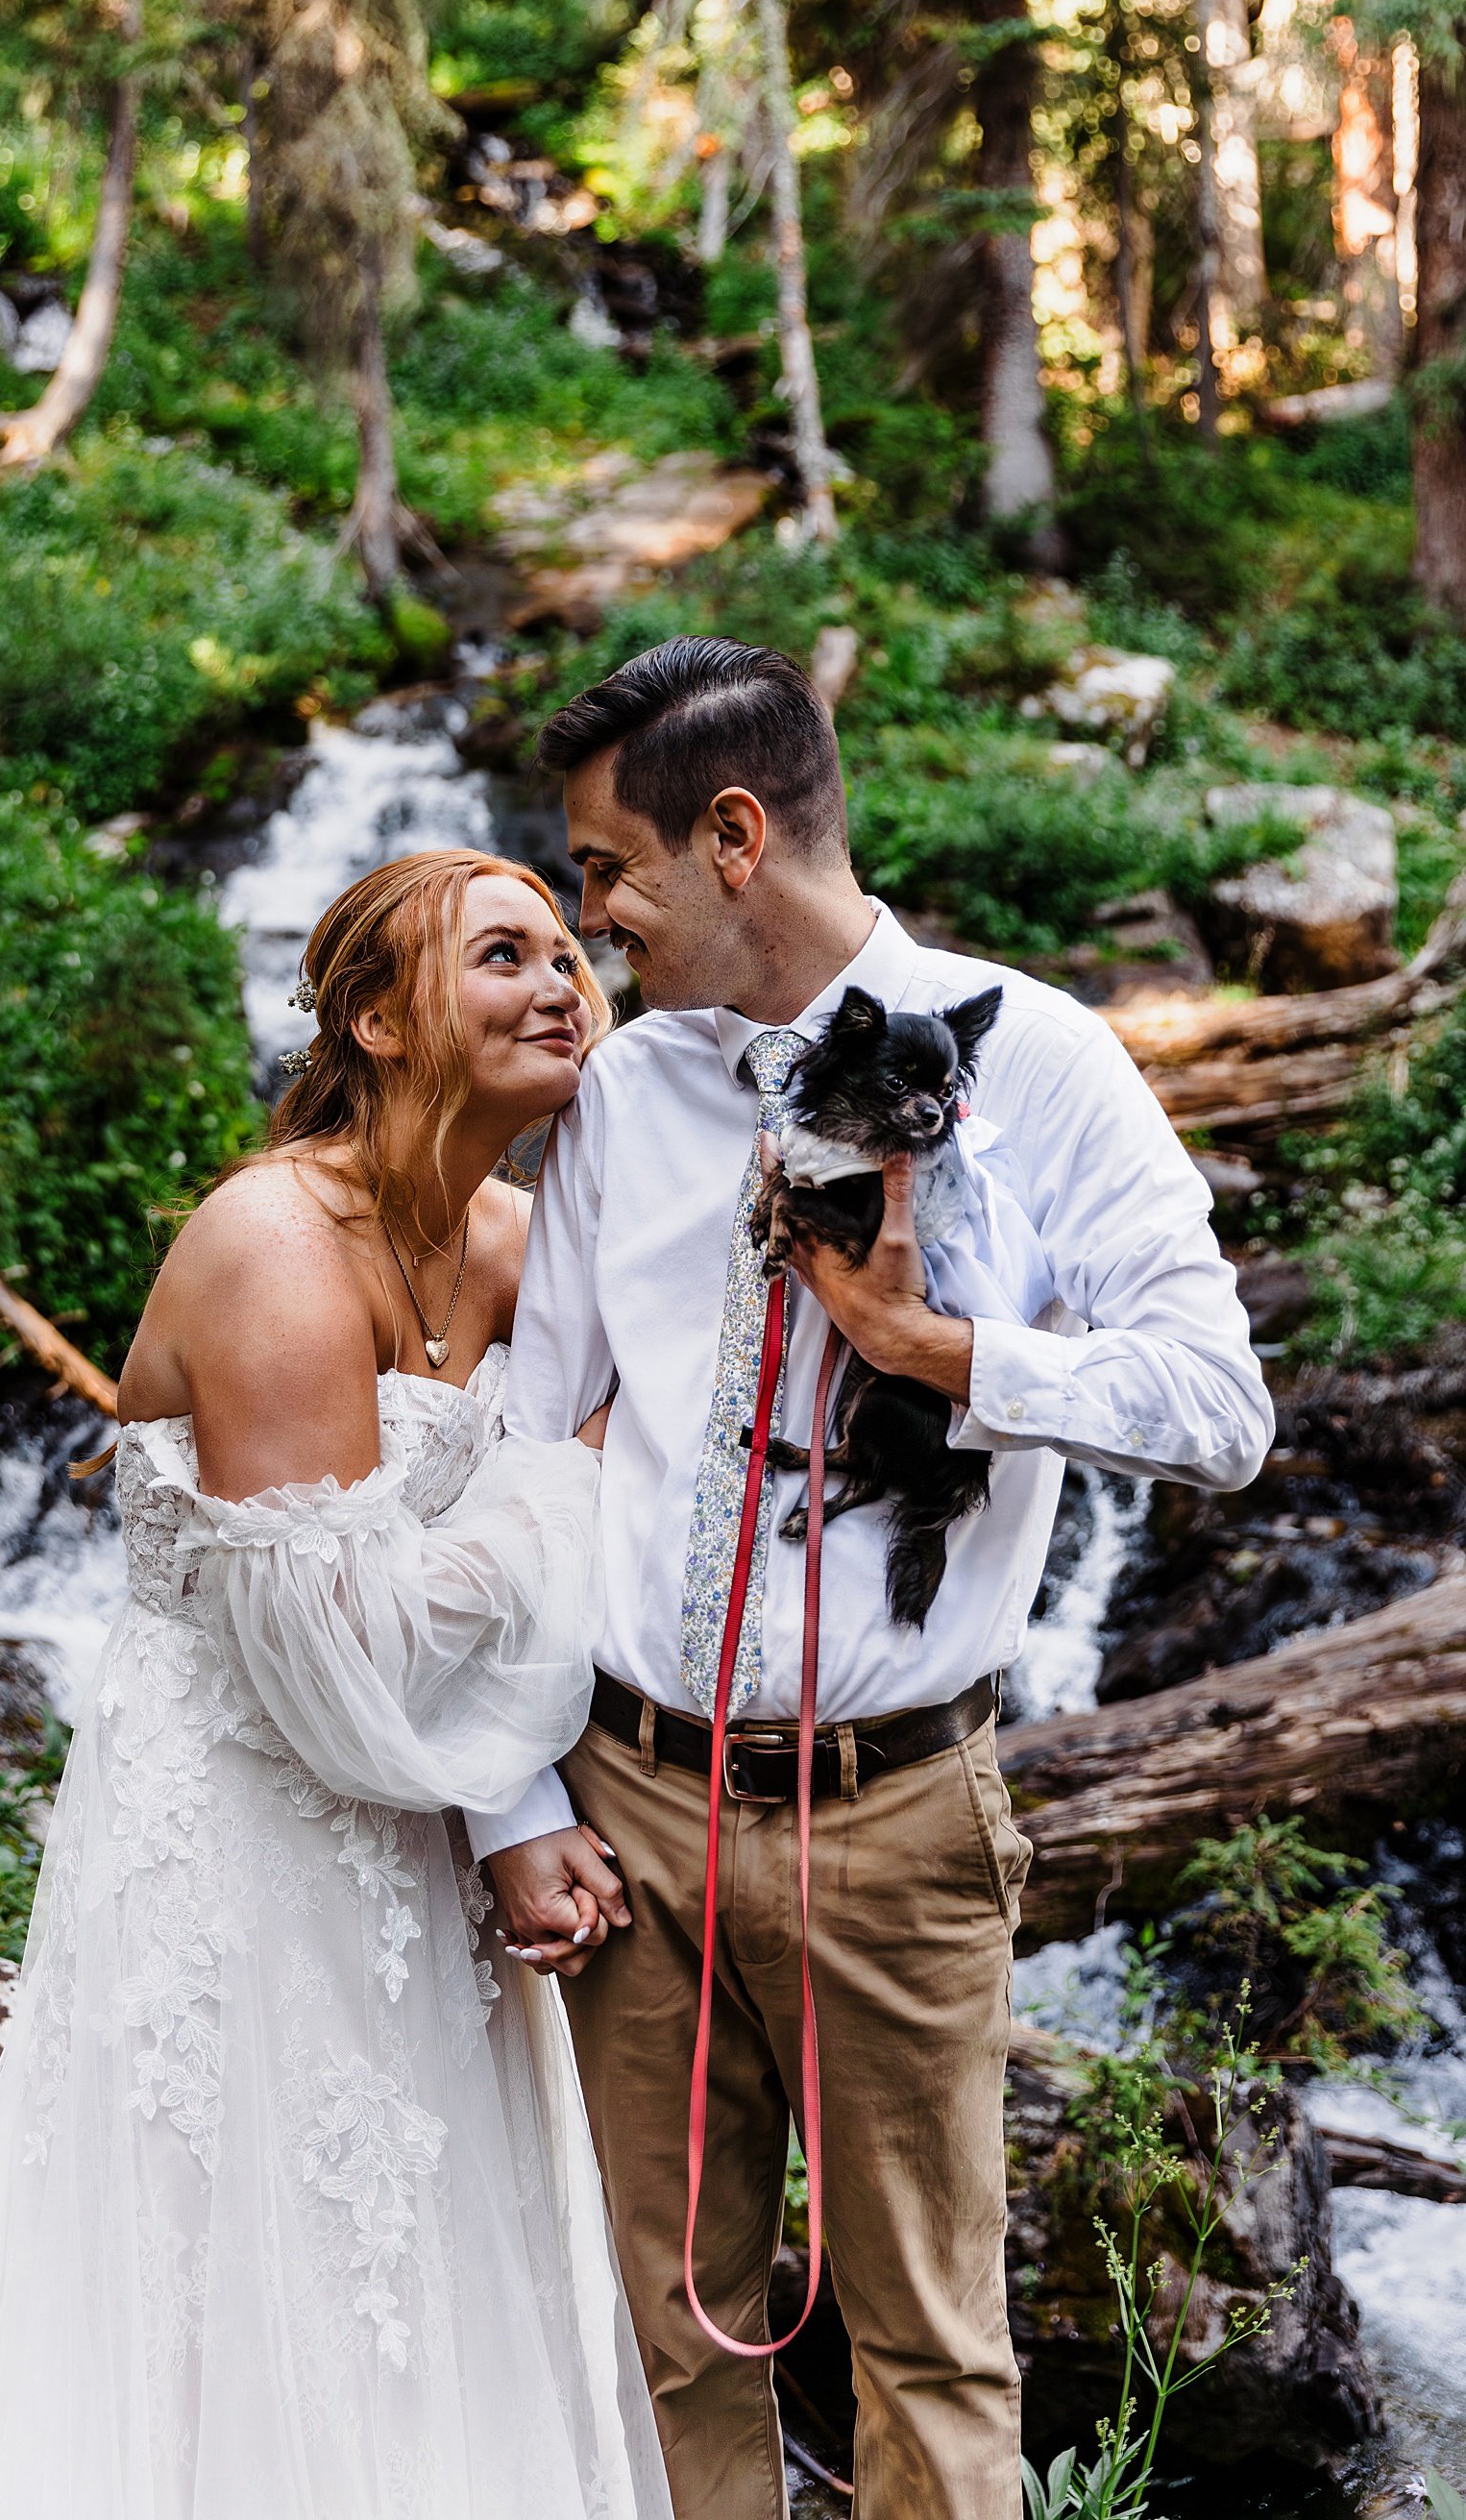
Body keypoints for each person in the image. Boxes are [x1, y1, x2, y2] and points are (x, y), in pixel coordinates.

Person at [0, 849, 668, 2520]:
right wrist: (580, 1470)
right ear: (382, 1021)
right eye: (505, 956)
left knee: (425, 2231)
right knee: (240, 2225)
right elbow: (339, 1648)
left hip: (423, 1830)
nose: (563, 985)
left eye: (571, 954)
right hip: (253, 1816)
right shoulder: (272, 1247)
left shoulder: (530, 1241)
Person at [480, 638, 1276, 2520]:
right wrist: (513, 1792)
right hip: (630, 1811)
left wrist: (952, 1361)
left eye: (610, 869)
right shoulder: (628, 1094)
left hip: (901, 1817)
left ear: (735, 837)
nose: (593, 920)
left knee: (932, 2343)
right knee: (667, 2329)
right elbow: (528, 1454)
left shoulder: (1045, 1061)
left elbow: (1223, 1407)